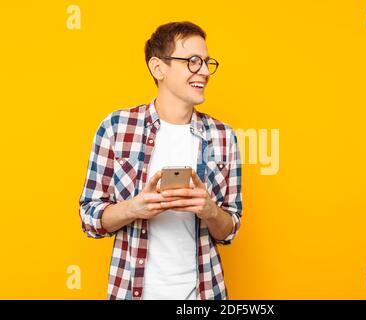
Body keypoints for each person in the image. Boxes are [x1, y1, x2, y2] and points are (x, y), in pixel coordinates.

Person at [78, 21, 243, 300]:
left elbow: (230, 229)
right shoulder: (116, 127)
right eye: (192, 61)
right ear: (158, 68)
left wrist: (210, 210)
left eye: (206, 62)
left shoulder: (223, 137)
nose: (204, 71)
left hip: (204, 294)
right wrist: (133, 208)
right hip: (131, 292)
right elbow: (89, 217)